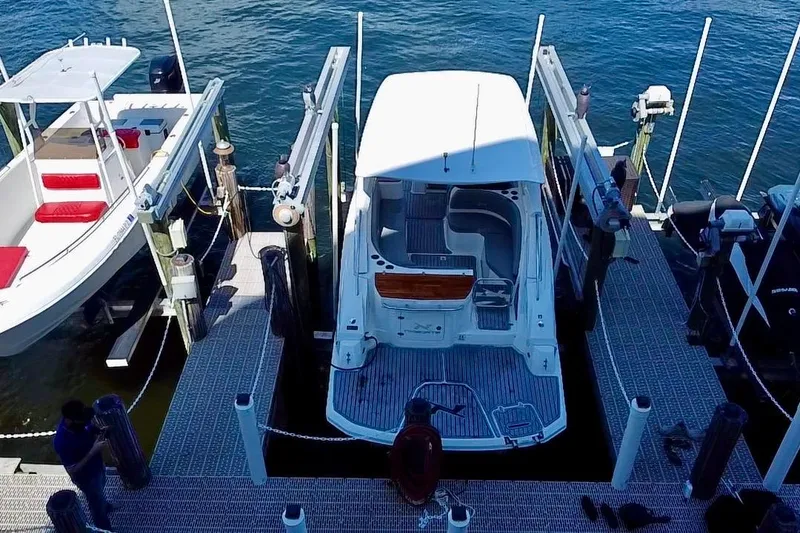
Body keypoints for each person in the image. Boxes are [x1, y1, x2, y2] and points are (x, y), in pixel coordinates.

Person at [53, 400, 113, 529]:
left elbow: (89, 427)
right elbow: (72, 469)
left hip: (97, 466)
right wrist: (93, 451)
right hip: (86, 478)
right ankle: (105, 529)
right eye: (82, 420)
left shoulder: (81, 422)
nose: (86, 422)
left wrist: (99, 430)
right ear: (69, 420)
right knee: (96, 507)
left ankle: (105, 505)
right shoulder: (62, 441)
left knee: (100, 490)